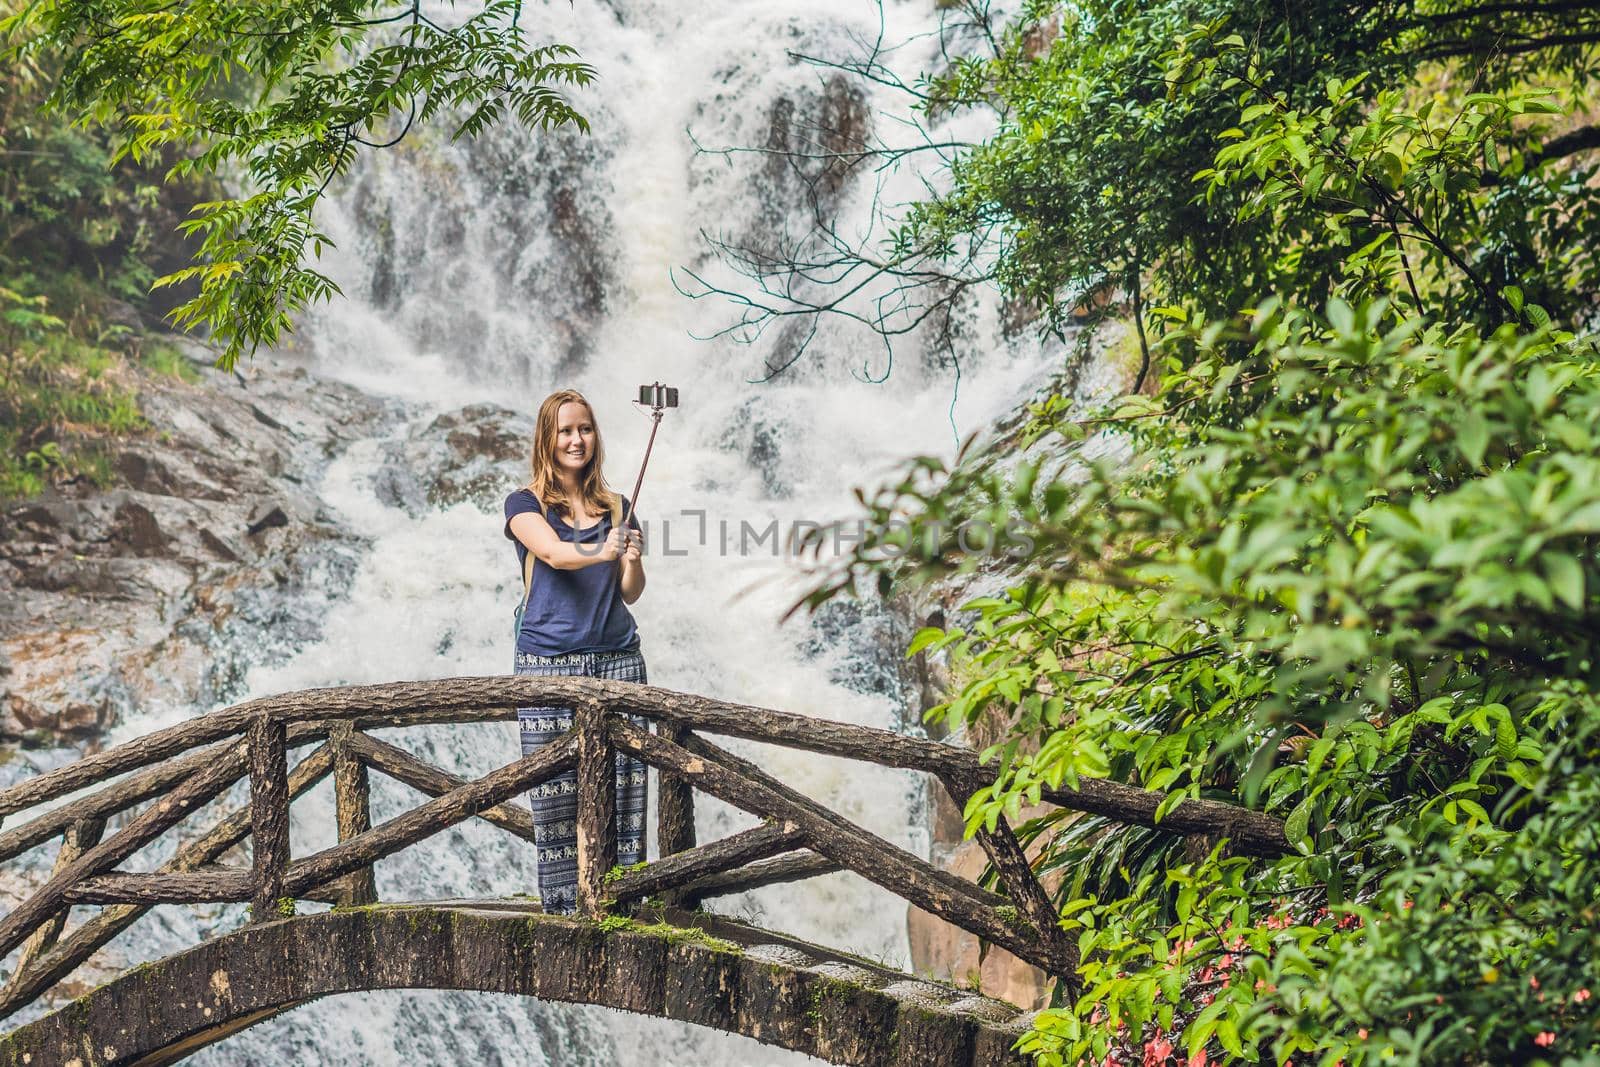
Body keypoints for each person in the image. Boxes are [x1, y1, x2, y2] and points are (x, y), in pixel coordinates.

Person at [503, 388, 647, 915]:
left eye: (584, 429)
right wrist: (600, 548)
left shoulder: (618, 506)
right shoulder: (524, 504)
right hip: (548, 664)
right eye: (565, 430)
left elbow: (630, 591)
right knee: (555, 795)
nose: (576, 439)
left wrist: (629, 557)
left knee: (627, 788)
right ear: (547, 438)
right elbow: (554, 554)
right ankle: (565, 909)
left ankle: (625, 903)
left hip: (617, 660)